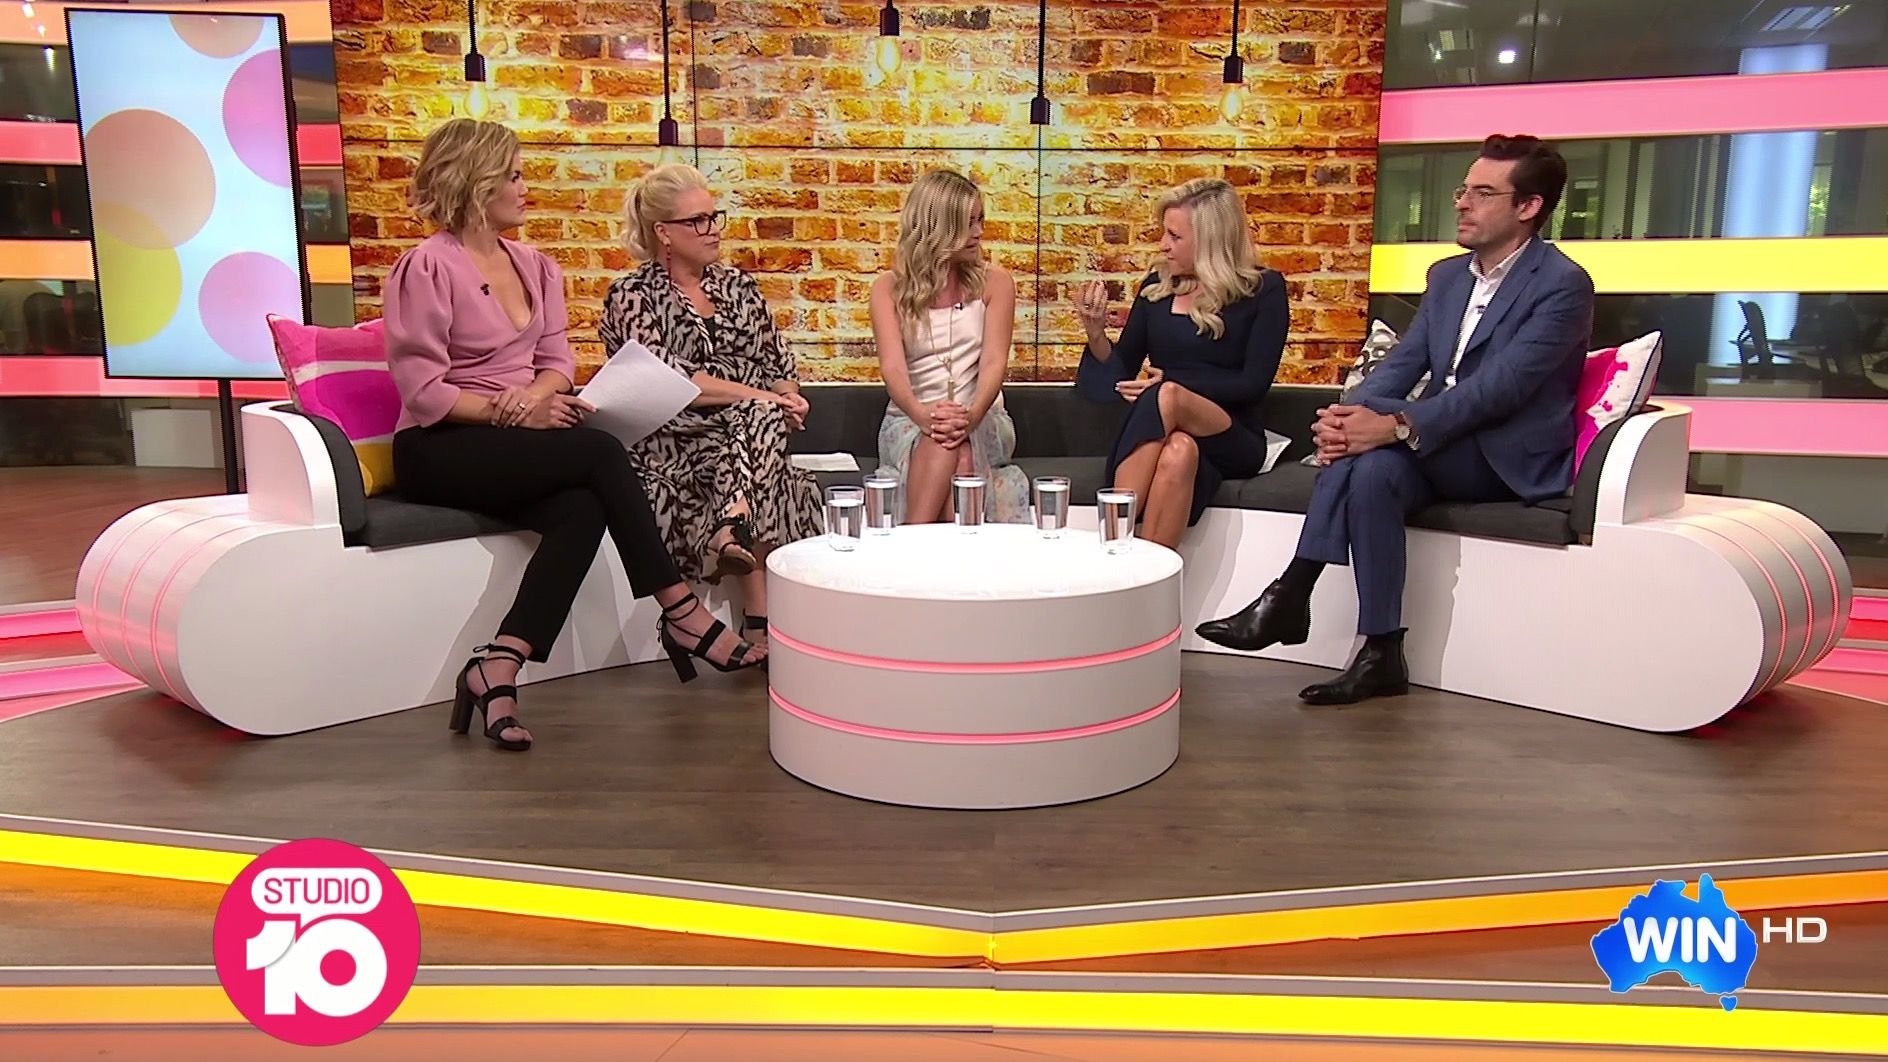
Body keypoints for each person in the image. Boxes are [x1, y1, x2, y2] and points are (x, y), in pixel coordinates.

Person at [384, 120, 764, 752]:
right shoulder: (425, 267)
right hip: (440, 445)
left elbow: (558, 363)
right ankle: (681, 610)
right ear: (474, 182)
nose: (524, 188)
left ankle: (497, 666)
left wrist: (538, 398)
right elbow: (423, 393)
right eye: (512, 176)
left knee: (582, 507)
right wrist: (512, 413)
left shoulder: (537, 267)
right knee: (599, 451)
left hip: (513, 441)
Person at [1197, 134, 1594, 705]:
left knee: (1374, 450)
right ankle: (1381, 651)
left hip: (1502, 455)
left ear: (1529, 207)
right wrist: (1348, 416)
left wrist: (1395, 425)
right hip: (1436, 448)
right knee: (1372, 471)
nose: (1462, 202)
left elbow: (1499, 390)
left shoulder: (1562, 284)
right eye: (1463, 190)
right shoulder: (1448, 276)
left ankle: (1291, 593)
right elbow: (1406, 361)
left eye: (1483, 193)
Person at [599, 163, 821, 647]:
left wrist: (788, 397)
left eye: (714, 217)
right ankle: (760, 614)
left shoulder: (739, 286)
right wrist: (764, 398)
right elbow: (674, 382)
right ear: (664, 232)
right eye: (697, 221)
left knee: (760, 421)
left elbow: (777, 359)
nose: (712, 229)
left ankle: (732, 529)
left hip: (749, 433)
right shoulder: (632, 296)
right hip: (676, 435)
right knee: (762, 430)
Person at [1073, 178, 1288, 548]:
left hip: (1232, 435)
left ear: (1209, 240)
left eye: (1174, 236)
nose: (1163, 244)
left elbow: (1252, 384)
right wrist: (1095, 334)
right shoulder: (1156, 287)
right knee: (1179, 452)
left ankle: (1109, 544)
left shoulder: (1263, 289)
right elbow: (1121, 372)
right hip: (1166, 432)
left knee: (1169, 395)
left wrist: (1171, 382)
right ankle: (1143, 573)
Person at [868, 169, 1027, 524]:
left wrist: (971, 416)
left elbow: (994, 364)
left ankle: (911, 544)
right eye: (968, 223)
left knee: (955, 445)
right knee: (955, 452)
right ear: (938, 225)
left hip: (984, 416)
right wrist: (921, 414)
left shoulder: (996, 283)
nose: (979, 232)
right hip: (909, 418)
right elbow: (892, 368)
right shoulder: (887, 289)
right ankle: (947, 554)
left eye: (980, 220)